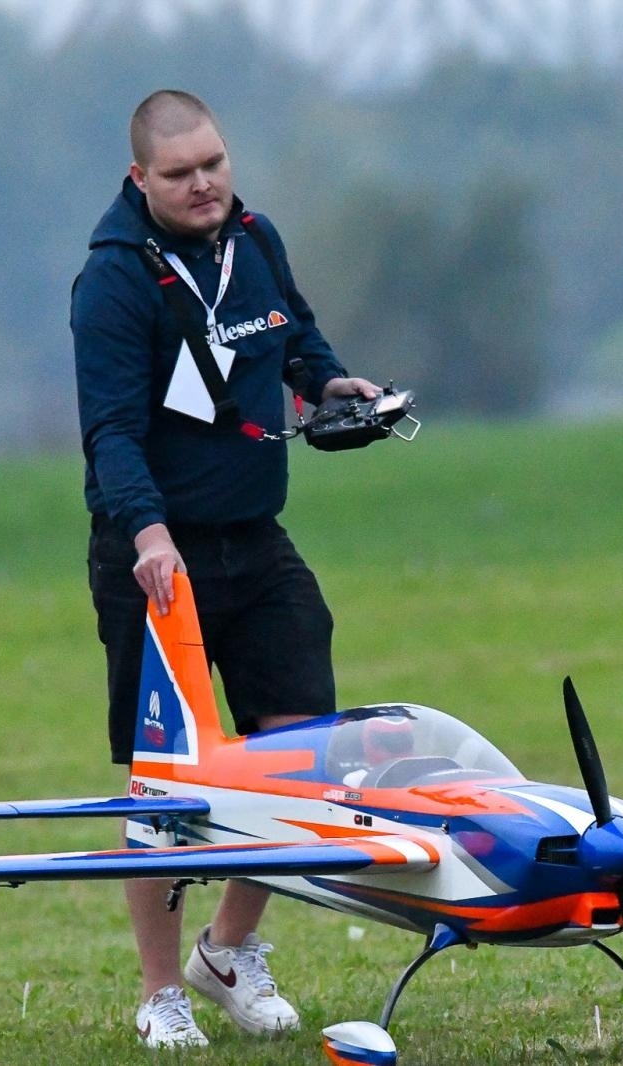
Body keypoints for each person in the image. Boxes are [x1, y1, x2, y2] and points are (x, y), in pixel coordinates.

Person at [71, 89, 380, 1049]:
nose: (203, 184)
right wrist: (148, 536)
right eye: (179, 173)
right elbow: (110, 433)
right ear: (140, 179)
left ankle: (229, 951)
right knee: (166, 784)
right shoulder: (112, 281)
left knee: (301, 756)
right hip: (155, 557)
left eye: (213, 163)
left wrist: (331, 384)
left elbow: (297, 337)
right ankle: (161, 991)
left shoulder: (255, 239)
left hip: (256, 539)